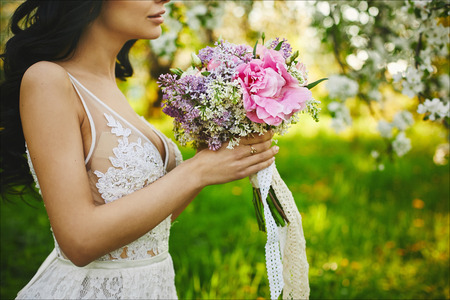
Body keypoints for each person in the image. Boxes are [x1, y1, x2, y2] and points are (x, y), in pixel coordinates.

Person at [0, 1, 278, 299]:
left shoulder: (112, 85)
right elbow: (78, 241)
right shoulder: (49, 79)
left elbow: (151, 226)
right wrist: (196, 171)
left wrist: (212, 156)